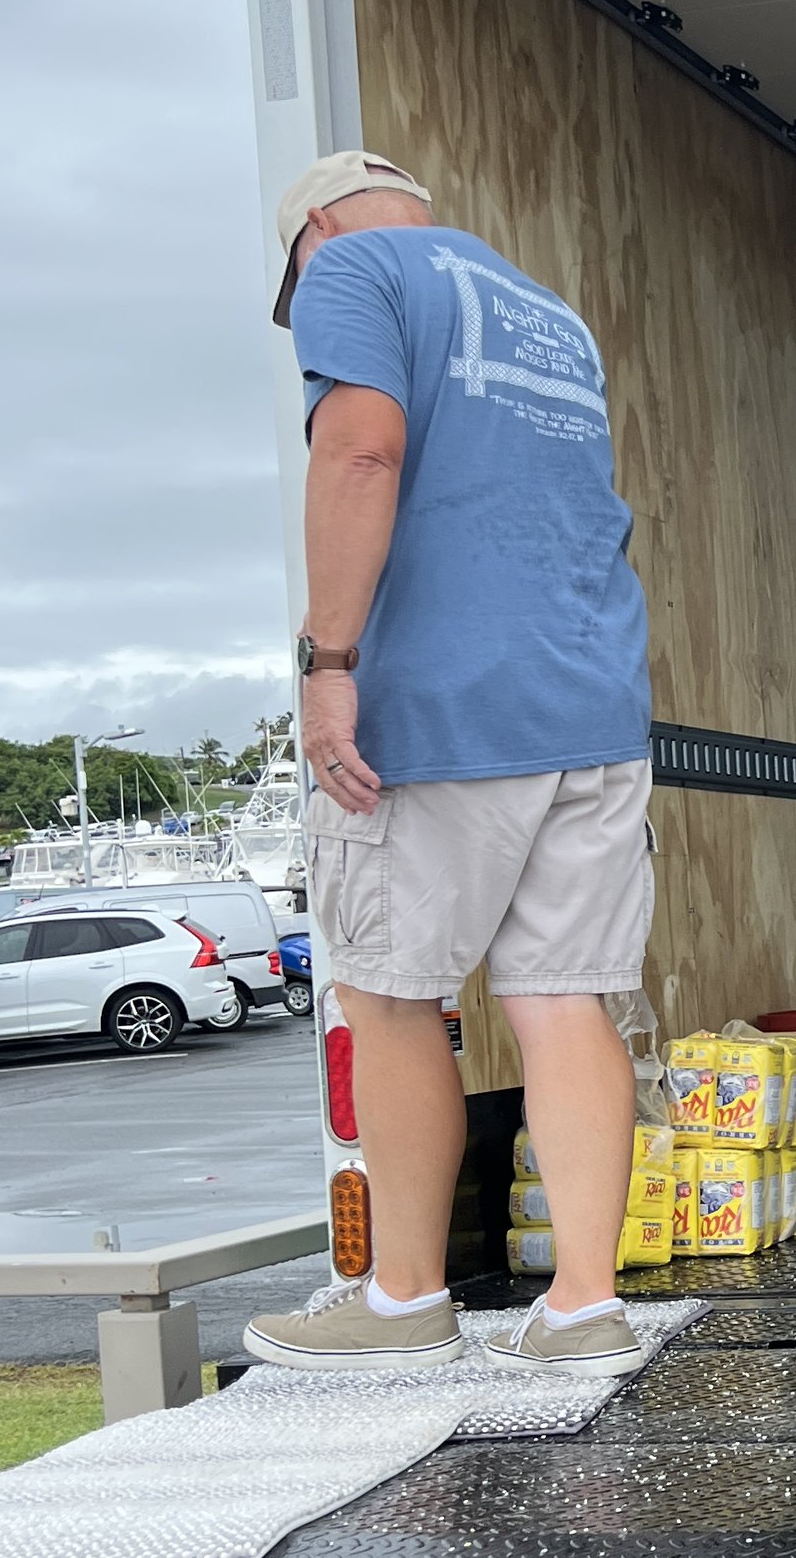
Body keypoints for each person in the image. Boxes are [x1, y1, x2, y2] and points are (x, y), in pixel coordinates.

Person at [243, 149, 656, 1378]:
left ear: (312, 228)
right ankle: (584, 1304)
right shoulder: (546, 309)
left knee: (386, 991)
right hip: (589, 695)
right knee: (561, 996)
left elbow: (359, 451)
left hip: (442, 705)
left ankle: (404, 1298)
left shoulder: (353, 269)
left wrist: (329, 661)